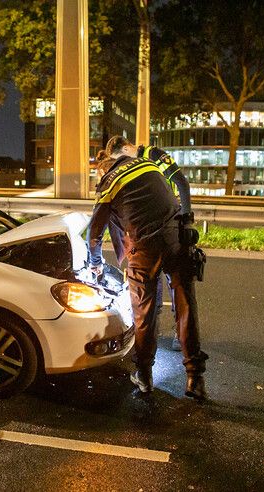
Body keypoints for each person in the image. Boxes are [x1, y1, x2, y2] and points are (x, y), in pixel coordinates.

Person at [87, 141, 208, 400]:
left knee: (145, 312)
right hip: (177, 238)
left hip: (143, 248)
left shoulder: (109, 182)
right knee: (186, 306)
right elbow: (177, 192)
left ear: (104, 168)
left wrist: (96, 264)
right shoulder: (148, 164)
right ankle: (195, 378)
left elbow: (94, 233)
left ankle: (144, 375)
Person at [104, 136, 194, 351]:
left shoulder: (154, 155)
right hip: (149, 231)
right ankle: (152, 333)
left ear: (127, 148)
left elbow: (181, 182)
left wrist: (186, 219)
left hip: (171, 224)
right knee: (152, 287)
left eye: (121, 158)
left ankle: (180, 335)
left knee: (178, 286)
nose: (121, 165)